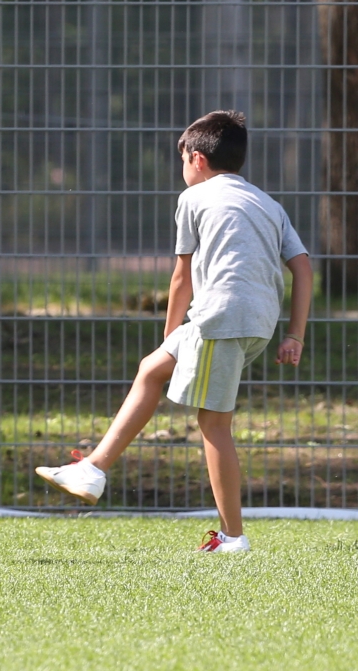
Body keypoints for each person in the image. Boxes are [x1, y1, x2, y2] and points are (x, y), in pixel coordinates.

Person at [36, 110, 311, 552]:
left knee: (213, 424)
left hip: (219, 319)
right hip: (256, 322)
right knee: (151, 370)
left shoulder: (194, 197)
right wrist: (294, 334)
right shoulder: (267, 203)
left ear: (197, 159)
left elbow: (182, 278)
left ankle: (233, 537)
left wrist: (170, 332)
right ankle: (93, 468)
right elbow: (302, 267)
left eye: (182, 159)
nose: (182, 168)